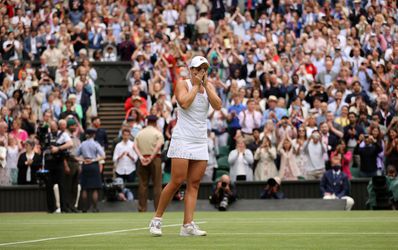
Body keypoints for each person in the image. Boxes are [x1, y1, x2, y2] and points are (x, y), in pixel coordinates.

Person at [149, 56, 222, 237]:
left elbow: (218, 105)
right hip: (182, 139)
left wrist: (205, 86)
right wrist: (197, 85)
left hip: (199, 141)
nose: (201, 72)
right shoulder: (183, 84)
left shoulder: (208, 87)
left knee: (194, 184)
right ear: (191, 70)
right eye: (198, 69)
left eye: (204, 69)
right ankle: (156, 220)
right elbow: (184, 102)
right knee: (176, 181)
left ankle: (187, 225)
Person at [134, 115, 164, 212]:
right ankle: (158, 209)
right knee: (157, 185)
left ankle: (142, 208)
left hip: (143, 159)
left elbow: (134, 146)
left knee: (142, 185)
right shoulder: (157, 133)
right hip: (155, 159)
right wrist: (151, 158)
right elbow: (159, 146)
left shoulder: (140, 133)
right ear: (155, 123)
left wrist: (141, 157)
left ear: (147, 122)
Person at [76, 128, 105, 212]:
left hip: (85, 165)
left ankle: (84, 208)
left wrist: (83, 160)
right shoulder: (96, 144)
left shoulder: (82, 144)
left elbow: (76, 156)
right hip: (94, 165)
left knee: (84, 188)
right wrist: (93, 160)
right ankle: (95, 208)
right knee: (94, 189)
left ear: (86, 135)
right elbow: (103, 155)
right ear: (94, 135)